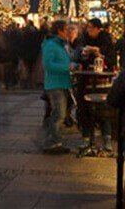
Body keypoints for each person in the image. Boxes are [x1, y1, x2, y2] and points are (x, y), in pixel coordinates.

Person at [42, 20, 74, 152]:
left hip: (63, 83)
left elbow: (66, 61)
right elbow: (49, 65)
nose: (69, 32)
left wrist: (75, 65)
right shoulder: (51, 45)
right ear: (60, 31)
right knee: (58, 115)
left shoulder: (62, 45)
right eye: (67, 29)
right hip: (55, 84)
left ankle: (56, 142)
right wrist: (67, 67)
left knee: (60, 114)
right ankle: (51, 142)